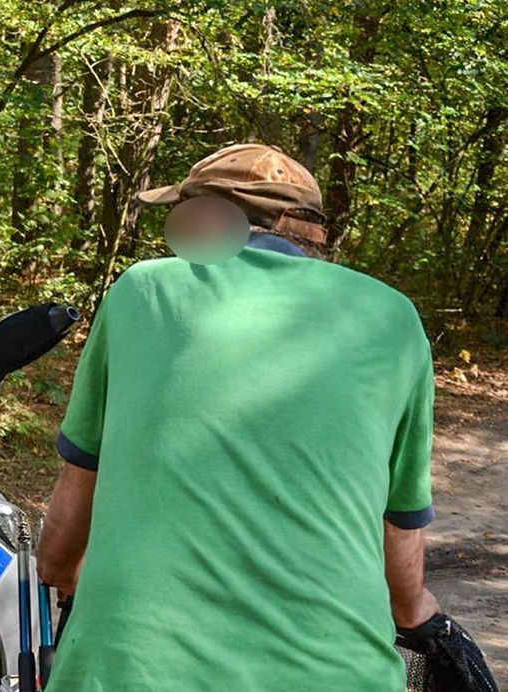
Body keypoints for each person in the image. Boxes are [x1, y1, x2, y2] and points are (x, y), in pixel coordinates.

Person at [37, 144, 498, 691]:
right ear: (311, 232)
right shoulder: (392, 318)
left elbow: (78, 490)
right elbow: (400, 534)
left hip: (131, 671)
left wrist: (62, 575)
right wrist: (421, 614)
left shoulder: (145, 290)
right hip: (334, 674)